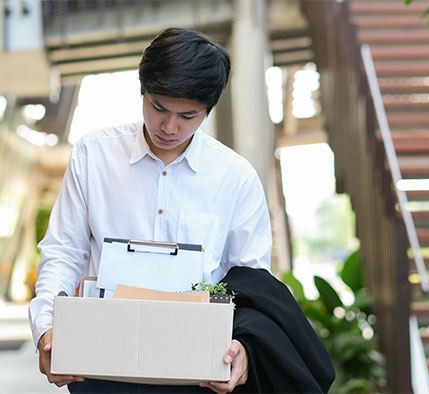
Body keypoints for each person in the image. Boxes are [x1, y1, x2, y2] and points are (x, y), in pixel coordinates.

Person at [28, 27, 273, 394]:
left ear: (207, 110)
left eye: (187, 116)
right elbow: (64, 251)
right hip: (100, 362)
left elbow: (252, 280)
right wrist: (46, 328)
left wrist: (245, 348)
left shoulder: (235, 177)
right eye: (158, 107)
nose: (169, 127)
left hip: (197, 368)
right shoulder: (94, 154)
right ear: (142, 90)